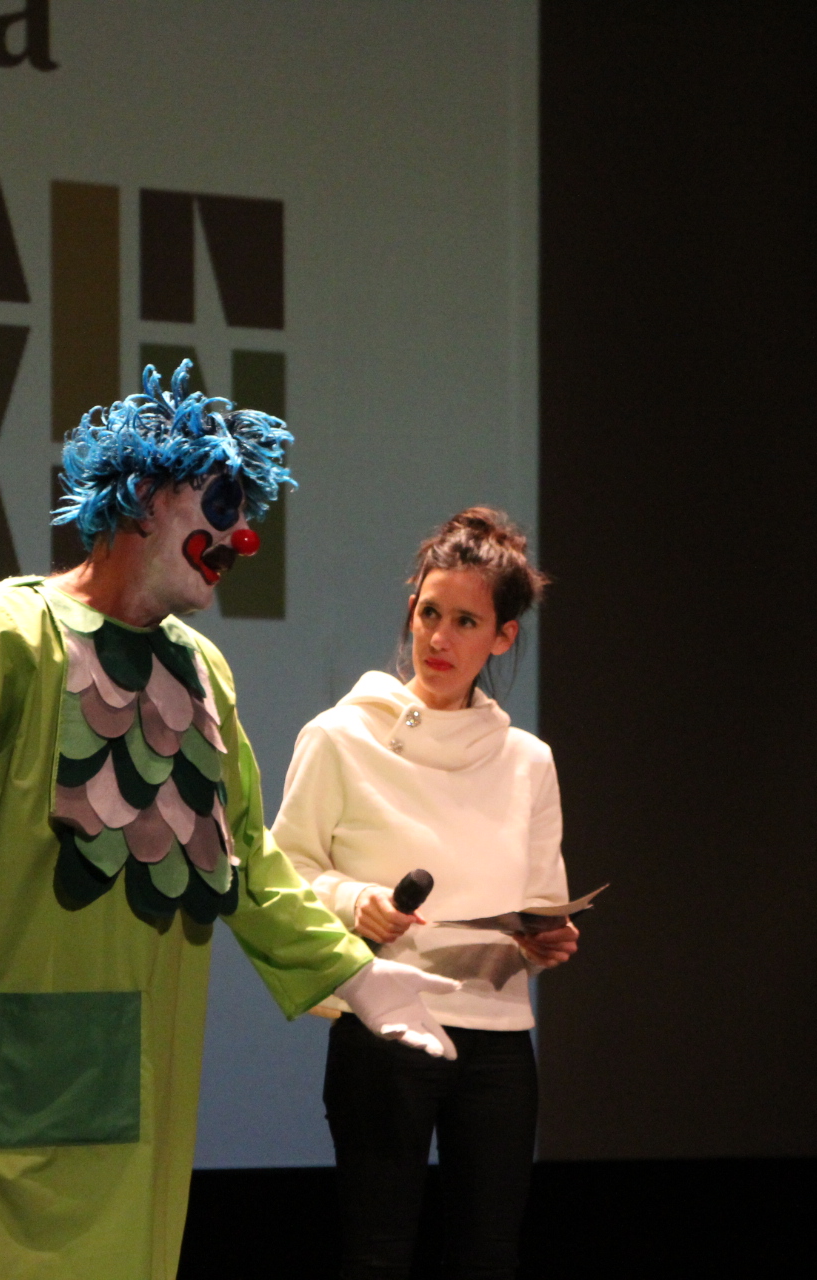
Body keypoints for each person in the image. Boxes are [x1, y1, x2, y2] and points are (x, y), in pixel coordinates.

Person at [0, 362, 457, 1280]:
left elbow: (247, 860)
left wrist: (358, 976)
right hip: (4, 1068)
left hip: (145, 1078)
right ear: (145, 499)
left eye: (247, 513)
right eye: (222, 503)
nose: (239, 537)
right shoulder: (9, 629)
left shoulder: (202, 672)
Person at [273, 507, 577, 1280]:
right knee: (375, 1256)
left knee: (489, 1256)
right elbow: (284, 873)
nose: (439, 638)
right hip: (386, 1028)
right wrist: (356, 902)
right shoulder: (339, 737)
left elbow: (543, 900)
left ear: (502, 636)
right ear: (412, 608)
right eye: (429, 613)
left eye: (465, 622)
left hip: (498, 1038)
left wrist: (545, 939)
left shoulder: (527, 761)